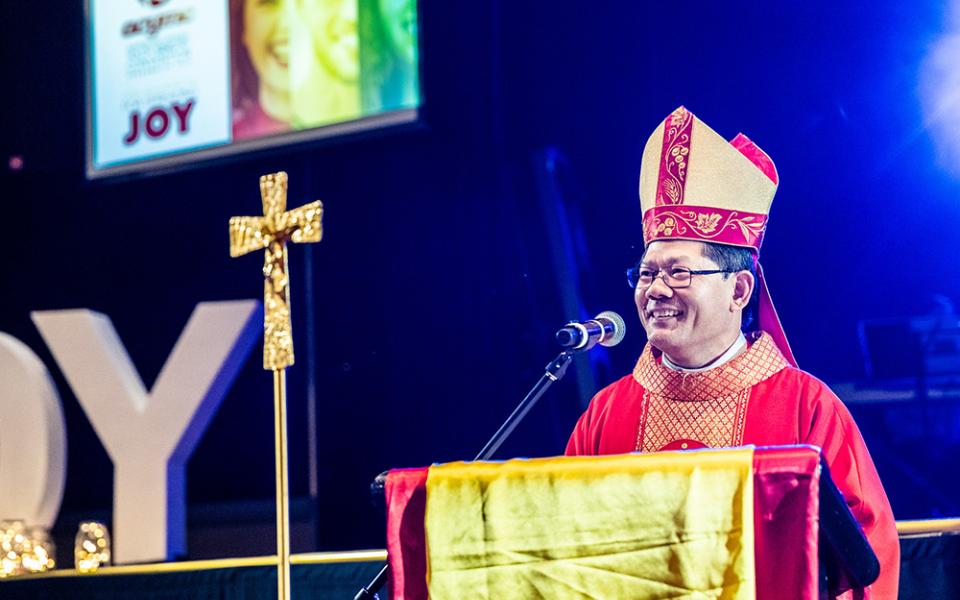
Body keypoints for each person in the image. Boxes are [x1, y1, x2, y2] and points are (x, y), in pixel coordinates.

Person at [566, 106, 900, 599]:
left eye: (678, 272)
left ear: (739, 289)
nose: (654, 289)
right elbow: (562, 549)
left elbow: (867, 561)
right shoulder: (607, 414)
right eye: (647, 272)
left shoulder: (806, 408)